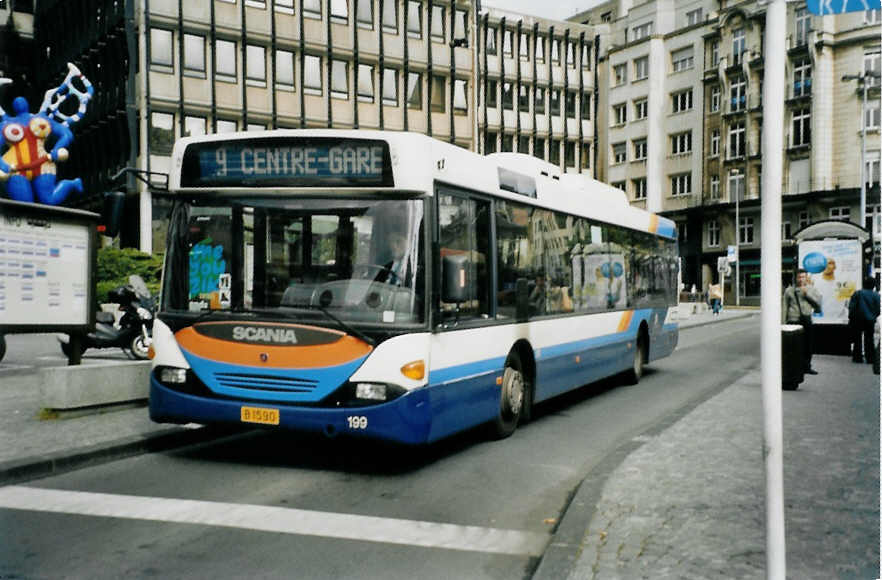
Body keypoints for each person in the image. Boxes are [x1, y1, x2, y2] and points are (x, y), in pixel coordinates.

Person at [783, 269, 822, 375]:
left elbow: (818, 306)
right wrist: (783, 323)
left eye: (803, 277)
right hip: (793, 320)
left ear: (806, 278)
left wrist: (807, 295)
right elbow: (785, 307)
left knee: (808, 345)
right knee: (793, 346)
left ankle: (806, 367)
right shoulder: (789, 290)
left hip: (806, 319)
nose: (801, 279)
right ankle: (794, 367)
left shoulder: (812, 290)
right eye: (799, 277)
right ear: (796, 278)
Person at [848, 277, 880, 364]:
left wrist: (851, 317)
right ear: (873, 285)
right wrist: (874, 316)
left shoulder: (857, 293)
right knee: (869, 338)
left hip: (857, 319)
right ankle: (870, 357)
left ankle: (857, 357)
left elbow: (852, 306)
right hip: (870, 320)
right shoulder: (876, 295)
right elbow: (878, 309)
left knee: (857, 338)